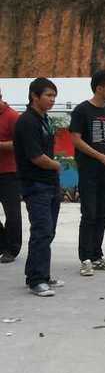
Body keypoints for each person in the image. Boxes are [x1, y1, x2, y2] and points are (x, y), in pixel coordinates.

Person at [69, 70, 105, 277]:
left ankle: (96, 255)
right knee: (89, 214)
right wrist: (101, 157)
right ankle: (85, 258)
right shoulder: (82, 111)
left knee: (102, 214)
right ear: (99, 88)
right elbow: (76, 139)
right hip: (89, 172)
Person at [13, 78, 63, 297]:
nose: (52, 100)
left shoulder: (44, 120)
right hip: (36, 184)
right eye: (48, 95)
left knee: (48, 231)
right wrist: (56, 164)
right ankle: (37, 280)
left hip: (50, 183)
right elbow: (36, 157)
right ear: (35, 96)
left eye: (54, 96)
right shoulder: (27, 122)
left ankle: (38, 272)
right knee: (41, 231)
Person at [0, 85, 22, 263]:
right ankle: (2, 243)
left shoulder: (13, 116)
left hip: (9, 172)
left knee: (12, 214)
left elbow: (20, 144)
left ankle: (12, 249)